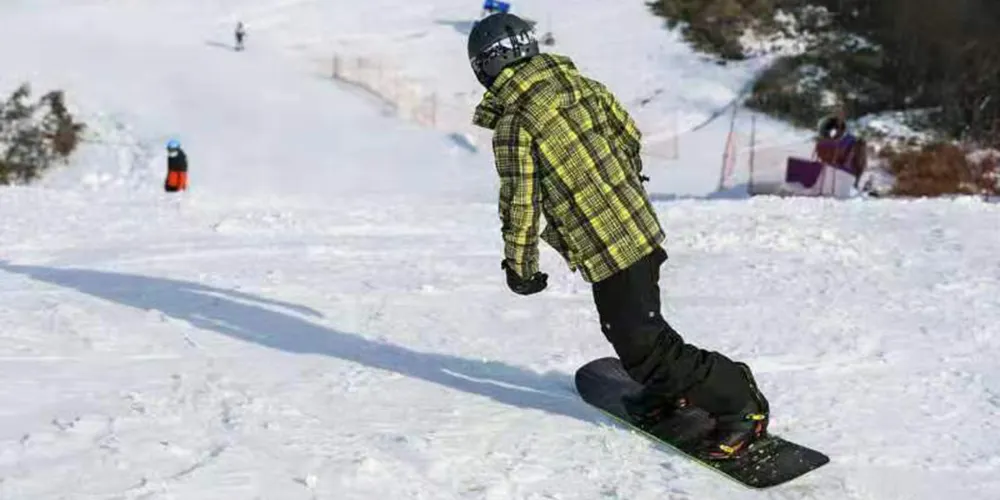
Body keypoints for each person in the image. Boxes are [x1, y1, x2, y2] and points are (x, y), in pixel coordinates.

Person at [467, 12, 769, 460]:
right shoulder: (583, 87)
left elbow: (521, 204)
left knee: (643, 345)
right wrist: (617, 190)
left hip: (607, 243)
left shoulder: (516, 124)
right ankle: (668, 392)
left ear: (487, 66)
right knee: (635, 329)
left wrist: (521, 268)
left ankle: (739, 400)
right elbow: (628, 136)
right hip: (637, 224)